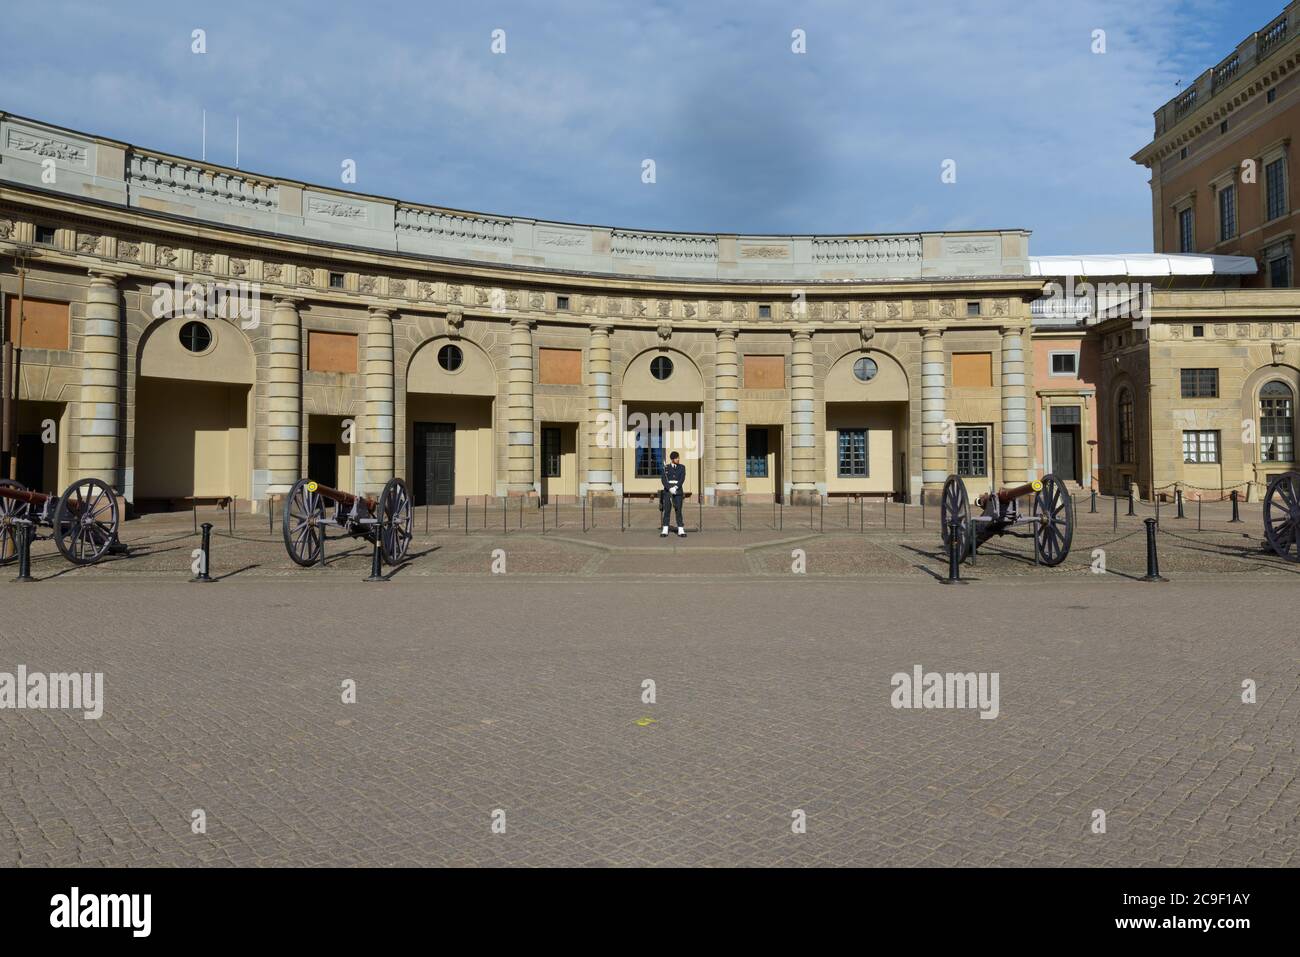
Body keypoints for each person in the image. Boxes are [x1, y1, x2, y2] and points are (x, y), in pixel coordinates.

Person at [660, 451, 686, 538]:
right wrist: (669, 488)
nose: (678, 459)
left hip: (678, 491)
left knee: (678, 510)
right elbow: (663, 479)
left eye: (678, 458)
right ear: (672, 459)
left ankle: (681, 529)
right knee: (667, 510)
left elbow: (682, 479)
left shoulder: (682, 467)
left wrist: (675, 487)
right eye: (676, 458)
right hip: (668, 492)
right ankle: (665, 529)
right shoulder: (666, 467)